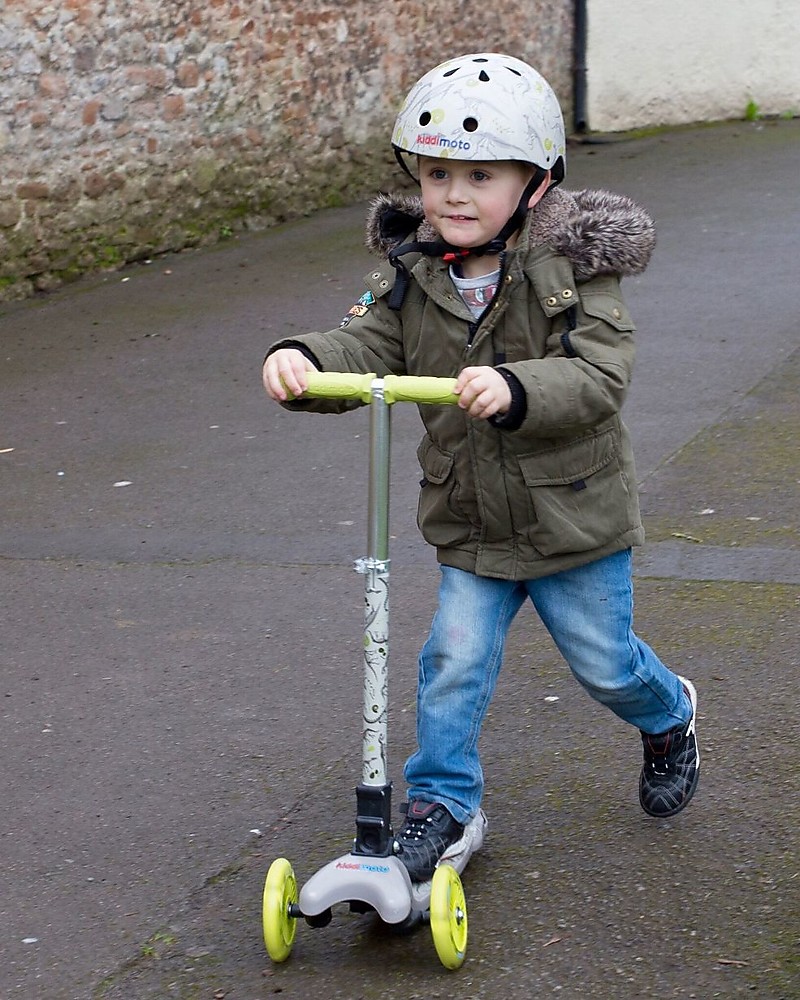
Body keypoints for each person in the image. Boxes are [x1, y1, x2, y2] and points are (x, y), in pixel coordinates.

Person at [262, 52, 699, 884]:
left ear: (534, 185)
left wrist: (516, 385)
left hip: (573, 518)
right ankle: (445, 804)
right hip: (471, 518)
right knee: (452, 659)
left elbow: (602, 375)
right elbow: (365, 343)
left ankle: (670, 713)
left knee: (605, 664)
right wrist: (303, 360)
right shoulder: (413, 272)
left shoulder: (573, 270)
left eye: (480, 175)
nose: (454, 196)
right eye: (437, 174)